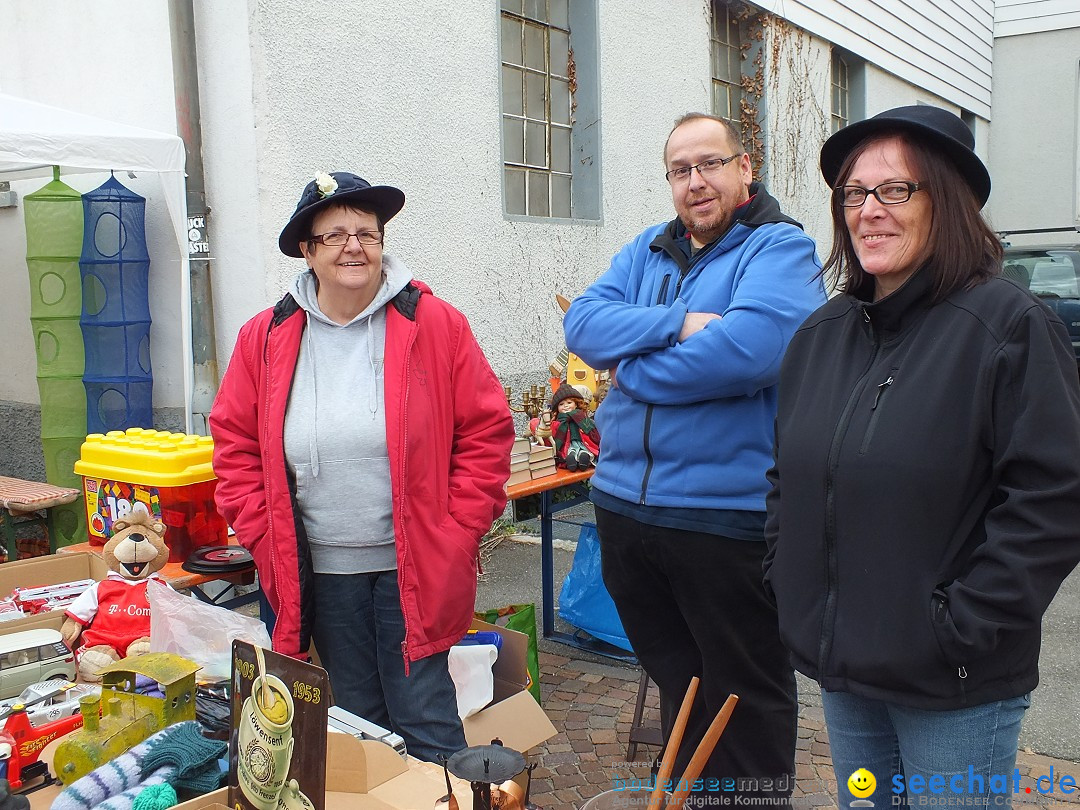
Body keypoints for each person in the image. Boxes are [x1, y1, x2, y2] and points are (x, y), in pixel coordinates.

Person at [764, 106, 1080, 809]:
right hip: (845, 673)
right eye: (854, 193)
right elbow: (789, 475)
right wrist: (790, 585)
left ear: (949, 200)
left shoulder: (1009, 328)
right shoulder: (821, 336)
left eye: (895, 190)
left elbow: (1055, 498)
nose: (869, 211)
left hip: (953, 684)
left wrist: (959, 625)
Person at [563, 113, 825, 805]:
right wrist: (673, 324)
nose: (695, 181)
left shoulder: (779, 251)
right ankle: (696, 798)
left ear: (746, 168)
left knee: (746, 696)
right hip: (624, 511)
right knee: (679, 683)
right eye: (680, 169)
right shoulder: (644, 251)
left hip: (722, 519)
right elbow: (582, 325)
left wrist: (633, 371)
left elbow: (751, 349)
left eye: (710, 163)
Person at [210, 171, 514, 762]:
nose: (354, 246)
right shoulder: (265, 337)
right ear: (306, 250)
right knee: (357, 718)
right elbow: (234, 442)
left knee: (424, 711)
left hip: (415, 561)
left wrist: (459, 527)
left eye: (367, 234)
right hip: (318, 566)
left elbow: (486, 429)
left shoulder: (433, 323)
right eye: (335, 236)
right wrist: (260, 527)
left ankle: (450, 802)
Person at [548, 383, 600, 471]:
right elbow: (554, 435)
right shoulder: (558, 422)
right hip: (567, 444)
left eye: (569, 403)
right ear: (557, 408)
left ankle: (584, 458)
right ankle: (571, 461)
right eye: (561, 404)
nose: (565, 406)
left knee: (584, 450)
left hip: (583, 442)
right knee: (569, 452)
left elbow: (590, 429)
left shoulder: (581, 417)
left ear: (576, 404)